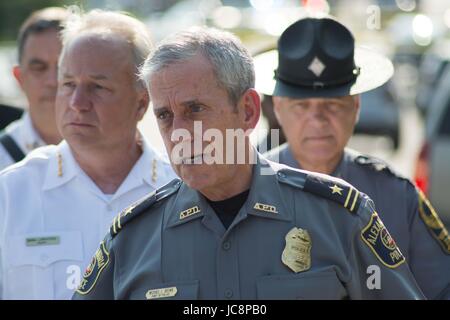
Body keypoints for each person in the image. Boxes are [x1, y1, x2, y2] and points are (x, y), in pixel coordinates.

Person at [73, 27, 424, 300]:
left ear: (248, 111)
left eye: (195, 110)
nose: (180, 133)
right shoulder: (133, 239)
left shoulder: (338, 217)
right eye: (165, 116)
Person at [256, 17, 450, 299]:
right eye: (302, 106)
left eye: (332, 104)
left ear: (355, 107)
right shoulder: (248, 188)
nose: (318, 120)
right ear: (279, 108)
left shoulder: (396, 194)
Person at [0, 8, 176, 300]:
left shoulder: (181, 192)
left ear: (141, 103)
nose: (77, 102)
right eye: (67, 84)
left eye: (98, 87)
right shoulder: (10, 195)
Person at [0, 7, 67, 169]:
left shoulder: (116, 155)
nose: (53, 81)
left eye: (64, 67)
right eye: (39, 68)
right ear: (19, 77)